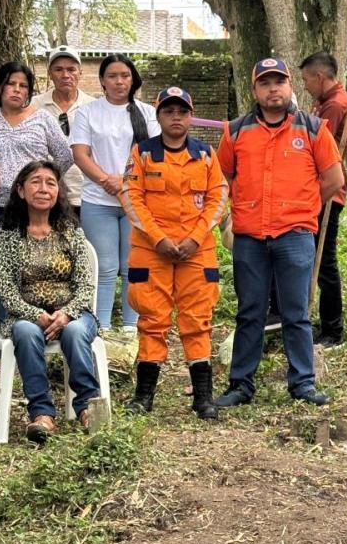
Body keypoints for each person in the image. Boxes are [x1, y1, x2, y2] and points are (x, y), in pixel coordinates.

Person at [215, 58, 344, 408]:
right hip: (250, 238)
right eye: (265, 83)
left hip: (295, 236)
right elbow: (220, 179)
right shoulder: (236, 131)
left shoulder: (315, 129)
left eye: (280, 82)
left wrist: (304, 212)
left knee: (296, 312)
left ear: (290, 87)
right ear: (254, 90)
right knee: (250, 311)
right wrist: (225, 216)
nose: (274, 89)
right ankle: (241, 384)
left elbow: (334, 179)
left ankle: (302, 383)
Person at [121, 87, 228, 420]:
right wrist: (158, 239)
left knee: (198, 321)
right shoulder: (141, 153)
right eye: (169, 111)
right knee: (151, 320)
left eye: (182, 111)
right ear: (159, 116)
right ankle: (144, 397)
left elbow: (218, 197)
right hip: (152, 252)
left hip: (196, 252)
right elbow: (130, 196)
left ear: (191, 115)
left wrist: (195, 239)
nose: (176, 117)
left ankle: (203, 398)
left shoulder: (207, 155)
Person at [0, 161, 98, 442]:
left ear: (58, 192)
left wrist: (67, 313)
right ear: (21, 191)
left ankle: (88, 407)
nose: (43, 189)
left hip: (74, 313)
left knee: (75, 332)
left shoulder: (70, 230)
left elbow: (86, 283)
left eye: (50, 183)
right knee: (26, 333)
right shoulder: (8, 234)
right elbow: (5, 287)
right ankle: (42, 414)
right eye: (36, 182)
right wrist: (35, 314)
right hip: (26, 316)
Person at [0, 61, 73, 351]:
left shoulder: (42, 120)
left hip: (31, 211)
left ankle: (29, 331)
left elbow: (64, 157)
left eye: (23, 86)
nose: (17, 90)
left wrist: (39, 186)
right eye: (11, 84)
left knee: (27, 270)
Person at [70, 55, 159, 335]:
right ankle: (103, 328)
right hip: (97, 201)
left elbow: (155, 155)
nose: (119, 82)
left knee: (133, 265)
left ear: (132, 80)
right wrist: (106, 179)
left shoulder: (147, 113)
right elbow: (80, 154)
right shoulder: (88, 112)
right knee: (104, 267)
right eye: (112, 76)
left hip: (137, 202)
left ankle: (131, 328)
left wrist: (125, 181)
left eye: (125, 76)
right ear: (102, 81)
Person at [301, 52, 347, 347]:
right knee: (314, 258)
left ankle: (333, 329)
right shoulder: (323, 103)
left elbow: (321, 149)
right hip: (315, 188)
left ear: (320, 77)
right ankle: (321, 324)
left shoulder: (336, 105)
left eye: (307, 79)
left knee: (324, 261)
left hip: (328, 190)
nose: (305, 85)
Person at [34, 46, 96, 214]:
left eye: (71, 69)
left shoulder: (94, 107)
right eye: (58, 70)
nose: (65, 75)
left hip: (89, 194)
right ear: (49, 73)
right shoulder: (34, 107)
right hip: (46, 196)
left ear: (80, 72)